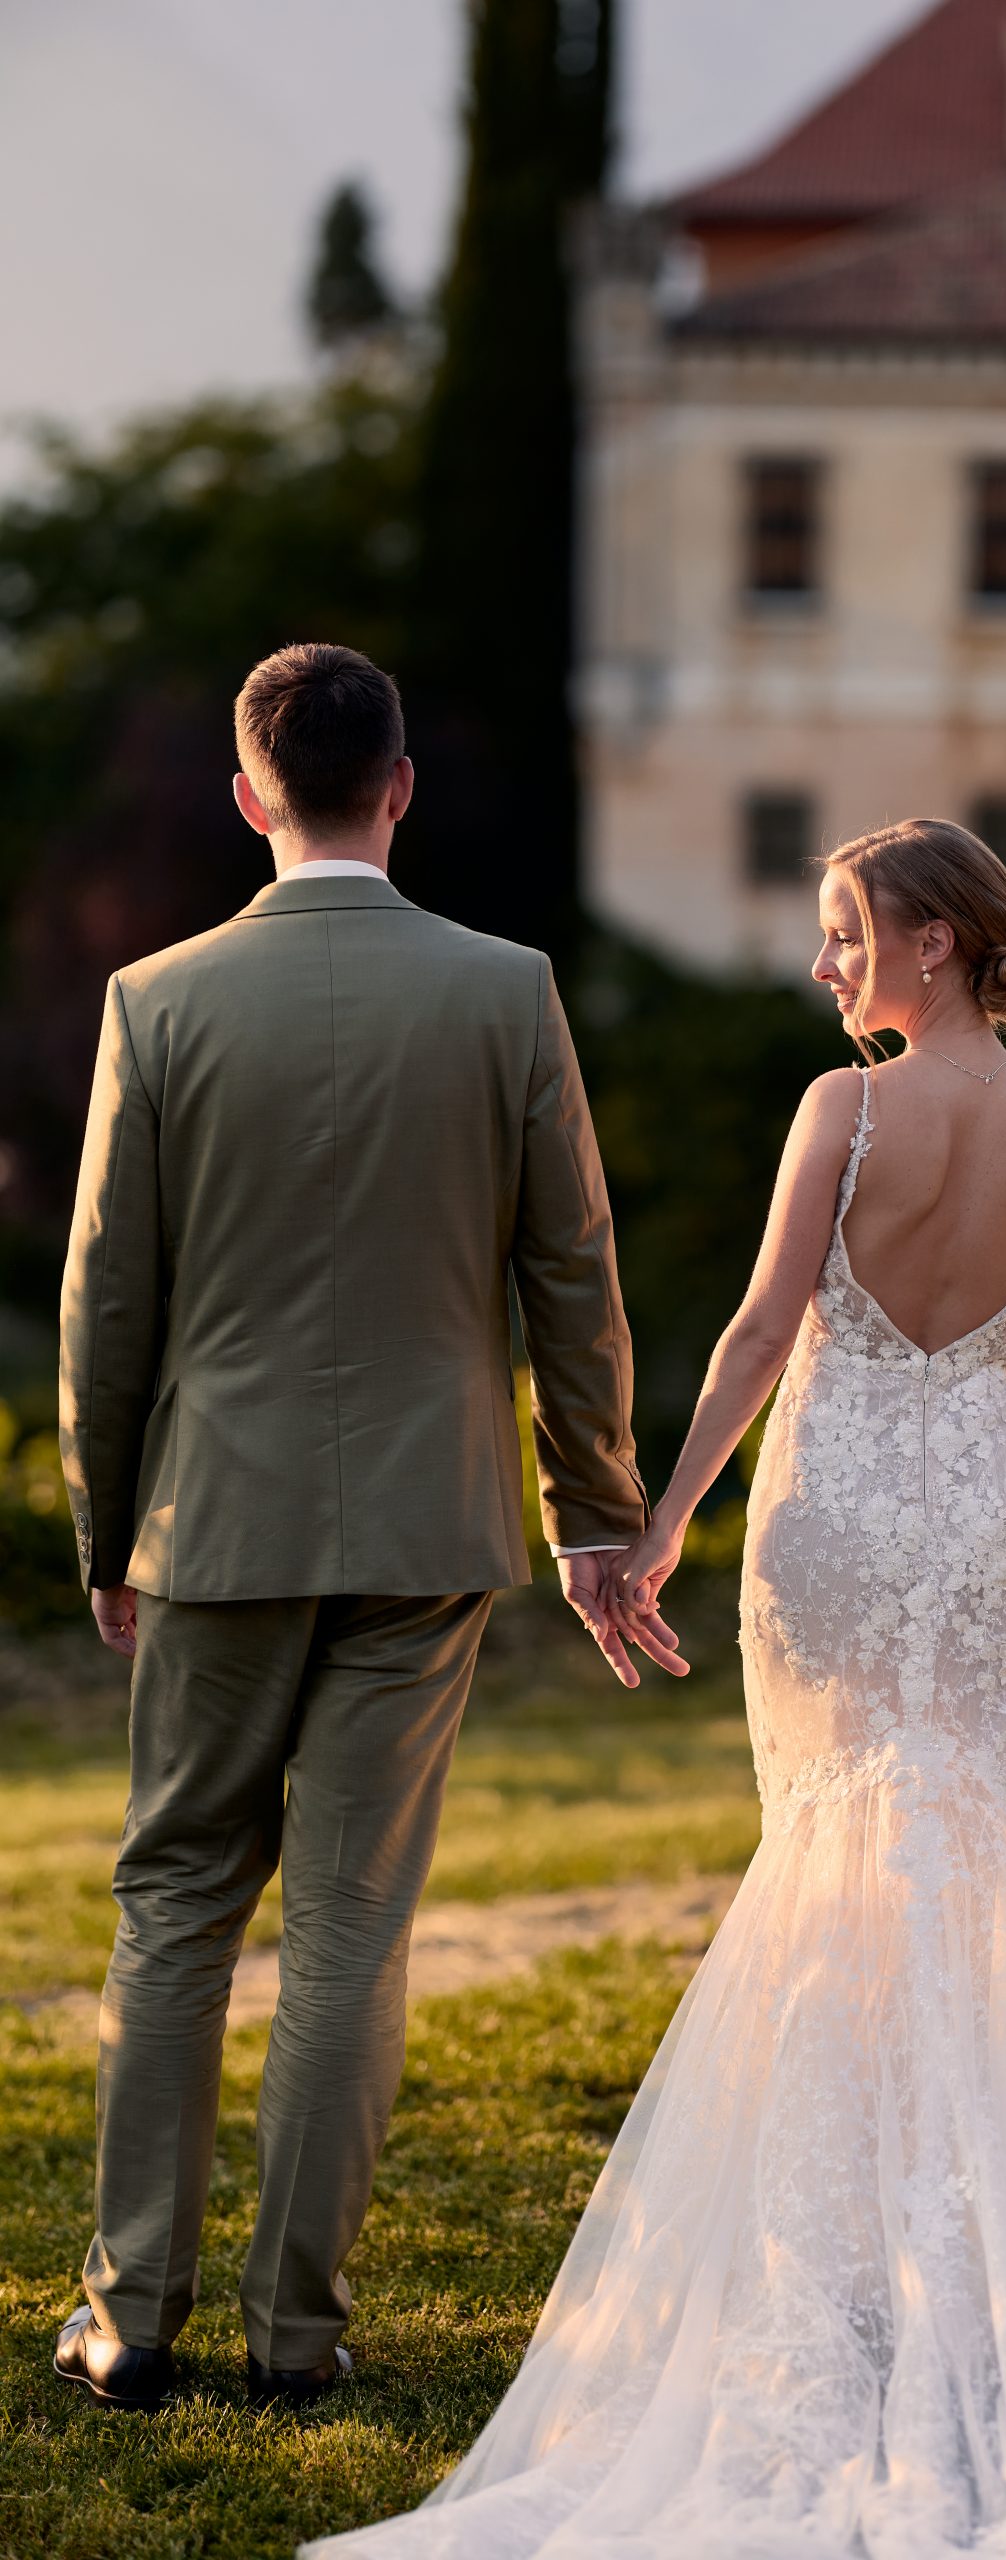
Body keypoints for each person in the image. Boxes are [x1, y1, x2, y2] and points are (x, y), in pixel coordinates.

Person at [312, 819, 1006, 2559]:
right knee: (953, 1860)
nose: (827, 964)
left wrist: (658, 1524)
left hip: (827, 1529)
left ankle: (844, 2283)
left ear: (938, 945)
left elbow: (758, 1336)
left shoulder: (847, 1114)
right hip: (977, 1538)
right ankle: (957, 2260)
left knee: (829, 1865)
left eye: (846, 933)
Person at [53, 643, 677, 2419]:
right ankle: (296, 2337)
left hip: (212, 1522)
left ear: (249, 796)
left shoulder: (153, 1002)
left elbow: (108, 1305)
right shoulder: (508, 991)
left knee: (177, 1904)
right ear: (398, 787)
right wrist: (597, 1514)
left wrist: (108, 1533)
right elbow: (575, 1275)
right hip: (431, 1522)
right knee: (347, 1928)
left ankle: (131, 2319)